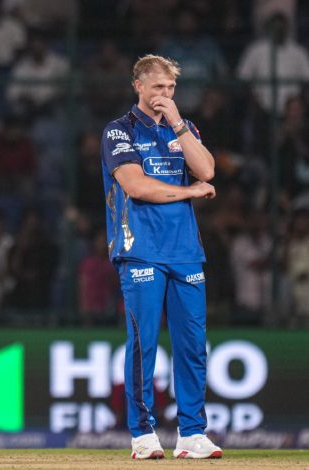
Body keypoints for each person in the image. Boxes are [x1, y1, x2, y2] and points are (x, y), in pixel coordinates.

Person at [100, 54, 222, 460]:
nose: (164, 95)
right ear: (138, 86)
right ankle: (143, 434)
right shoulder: (119, 131)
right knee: (144, 343)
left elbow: (207, 169)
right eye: (157, 87)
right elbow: (136, 186)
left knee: (193, 344)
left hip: (185, 251)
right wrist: (190, 192)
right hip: (140, 251)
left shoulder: (182, 127)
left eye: (170, 88)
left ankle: (192, 434)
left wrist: (178, 123)